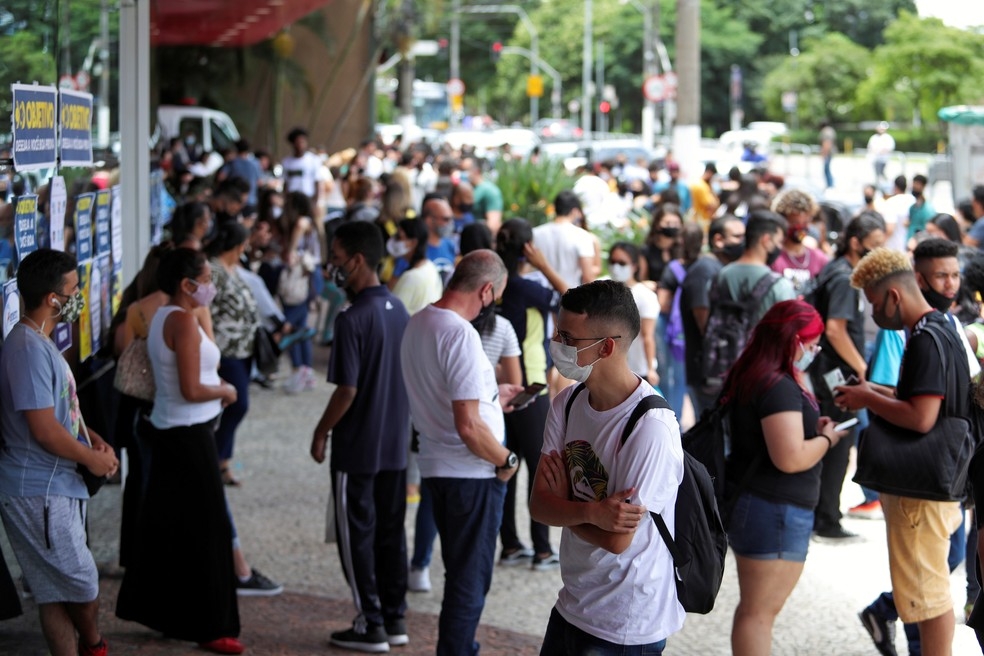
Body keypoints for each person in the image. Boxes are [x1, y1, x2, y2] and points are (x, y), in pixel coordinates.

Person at [529, 279, 685, 654]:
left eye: (568, 338)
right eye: (557, 334)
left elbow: (617, 540)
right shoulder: (566, 403)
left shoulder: (651, 427)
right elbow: (538, 506)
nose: (558, 346)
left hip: (626, 621)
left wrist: (566, 505)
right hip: (573, 602)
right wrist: (592, 512)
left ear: (607, 346)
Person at [835, 248, 969, 656]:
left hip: (922, 494)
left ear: (893, 296)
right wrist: (872, 390)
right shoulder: (942, 326)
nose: (874, 315)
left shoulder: (925, 339)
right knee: (931, 592)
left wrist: (868, 400)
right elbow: (926, 399)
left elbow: (922, 416)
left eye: (875, 304)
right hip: (937, 485)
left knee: (929, 598)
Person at [116, 248, 244, 655]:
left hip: (176, 430)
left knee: (174, 527)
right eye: (206, 278)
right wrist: (226, 390)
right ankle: (209, 623)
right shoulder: (182, 322)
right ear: (186, 284)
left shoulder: (166, 317)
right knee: (208, 532)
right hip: (187, 435)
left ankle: (171, 612)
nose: (211, 285)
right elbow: (191, 389)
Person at [400, 250, 523, 655]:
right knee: (469, 581)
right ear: (486, 290)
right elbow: (468, 425)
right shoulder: (460, 334)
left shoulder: (419, 322)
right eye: (498, 295)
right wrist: (506, 460)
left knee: (462, 574)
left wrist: (492, 397)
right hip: (470, 472)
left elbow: (445, 397)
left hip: (438, 466)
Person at [0, 249, 118, 656]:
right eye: (73, 289)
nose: (79, 295)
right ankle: (93, 644)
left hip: (54, 486)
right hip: (38, 490)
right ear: (53, 298)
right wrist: (92, 459)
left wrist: (92, 439)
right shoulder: (27, 348)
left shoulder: (38, 341)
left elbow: (60, 410)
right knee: (82, 583)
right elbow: (44, 430)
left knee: (55, 592)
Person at [723, 299, 851, 656]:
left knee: (756, 610)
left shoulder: (755, 373)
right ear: (793, 341)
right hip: (774, 509)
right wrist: (827, 438)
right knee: (759, 613)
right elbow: (790, 457)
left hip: (764, 506)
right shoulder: (776, 385)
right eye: (811, 342)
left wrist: (816, 429)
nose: (815, 349)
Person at [310, 221, 412, 652]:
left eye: (334, 259)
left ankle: (369, 621)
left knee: (357, 535)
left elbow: (347, 390)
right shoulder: (399, 310)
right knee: (391, 530)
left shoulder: (352, 318)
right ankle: (394, 617)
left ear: (355, 261)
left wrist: (320, 431)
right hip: (395, 444)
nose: (330, 266)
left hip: (357, 448)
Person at [494, 219, 569, 570]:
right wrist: (543, 265)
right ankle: (541, 549)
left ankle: (509, 544)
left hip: (499, 385)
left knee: (508, 463)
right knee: (540, 468)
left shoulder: (493, 285)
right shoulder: (524, 287)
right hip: (529, 386)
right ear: (528, 248)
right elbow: (573, 300)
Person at [807, 212, 886, 541]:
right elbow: (837, 330)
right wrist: (861, 368)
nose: (878, 254)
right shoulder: (844, 278)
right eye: (874, 246)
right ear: (856, 242)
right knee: (839, 443)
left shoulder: (837, 270)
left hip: (829, 371)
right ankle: (827, 518)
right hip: (836, 374)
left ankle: (824, 514)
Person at [681, 215, 746, 416]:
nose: (743, 242)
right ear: (718, 240)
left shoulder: (720, 269)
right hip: (708, 373)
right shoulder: (704, 271)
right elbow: (705, 324)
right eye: (737, 236)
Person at [714, 210, 796, 327]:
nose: (779, 247)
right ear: (766, 240)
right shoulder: (780, 285)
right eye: (778, 242)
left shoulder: (722, 275)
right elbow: (789, 329)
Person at [609, 242, 659, 387]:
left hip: (637, 369)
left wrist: (650, 369)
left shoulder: (645, 295)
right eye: (612, 262)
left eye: (622, 263)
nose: (616, 267)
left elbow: (647, 335)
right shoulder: (602, 291)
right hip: (609, 368)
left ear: (634, 266)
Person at [531, 190, 596, 289]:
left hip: (540, 296)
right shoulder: (583, 236)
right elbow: (588, 277)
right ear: (575, 211)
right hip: (571, 297)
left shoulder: (535, 233)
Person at [770, 189, 830, 294]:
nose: (800, 227)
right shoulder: (772, 257)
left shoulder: (819, 259)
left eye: (805, 222)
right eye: (795, 222)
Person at [388, 218, 443, 316]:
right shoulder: (430, 267)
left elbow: (391, 313)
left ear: (413, 242)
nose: (394, 241)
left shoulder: (411, 277)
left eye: (399, 237)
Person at [690, 163, 721, 229]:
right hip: (703, 221)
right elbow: (710, 205)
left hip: (697, 218)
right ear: (709, 173)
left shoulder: (697, 183)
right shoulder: (702, 186)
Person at [908, 174, 935, 243]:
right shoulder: (912, 208)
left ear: (923, 186)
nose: (913, 186)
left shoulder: (928, 209)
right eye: (913, 183)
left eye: (917, 184)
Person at [819, 121, 837, 190]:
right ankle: (830, 184)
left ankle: (830, 185)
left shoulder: (825, 132)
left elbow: (826, 143)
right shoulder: (831, 130)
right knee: (827, 169)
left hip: (827, 152)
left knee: (826, 169)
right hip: (831, 152)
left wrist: (824, 153)